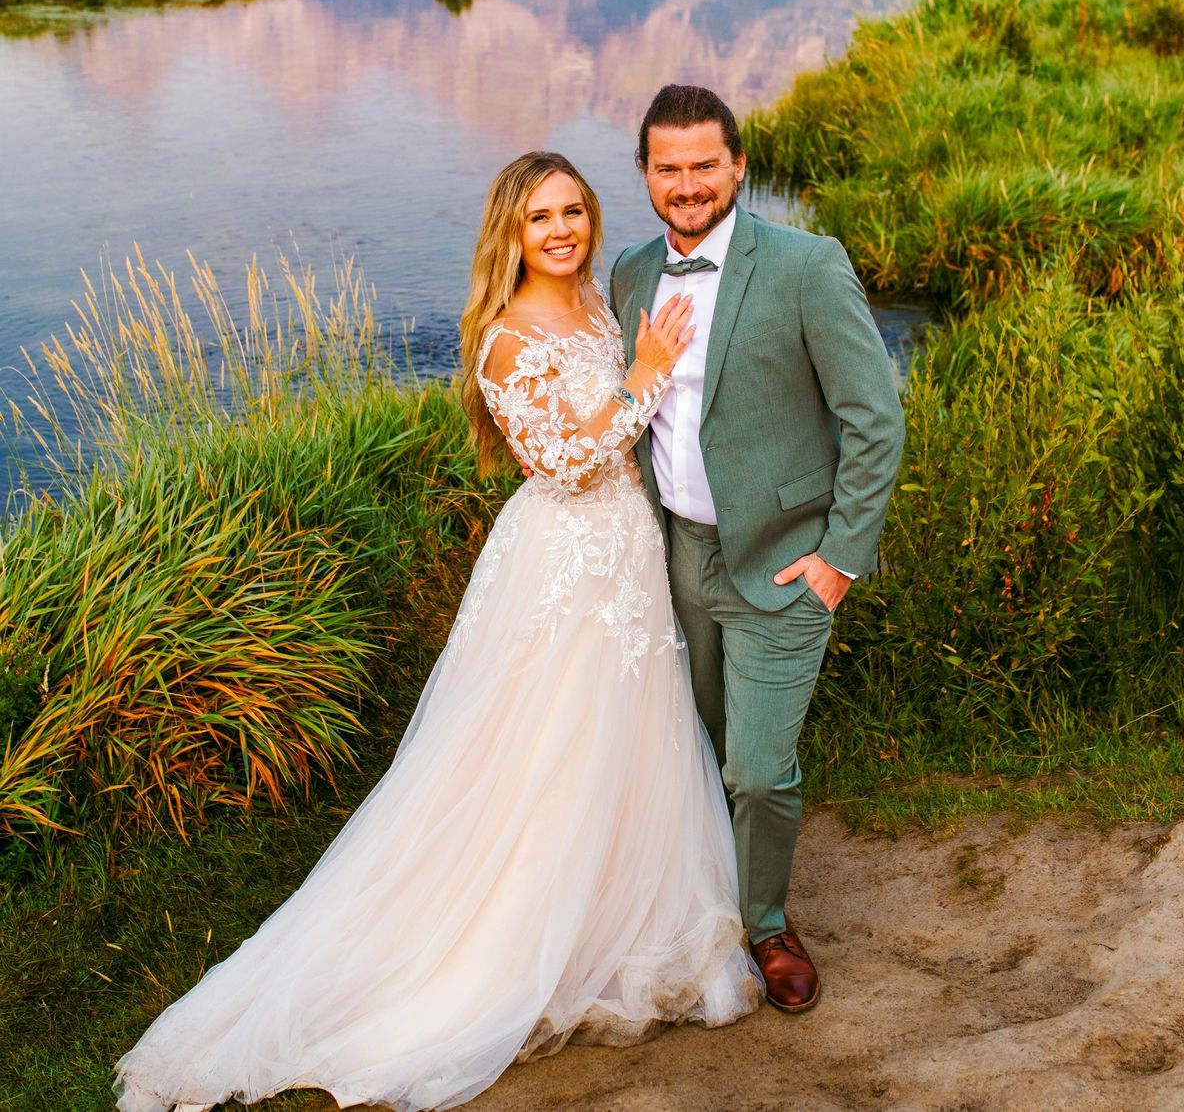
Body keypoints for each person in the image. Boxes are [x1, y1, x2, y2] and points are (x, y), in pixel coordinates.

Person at [114, 150, 759, 1112]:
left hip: (628, 553)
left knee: (628, 739)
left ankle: (612, 921)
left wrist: (653, 375)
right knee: (541, 748)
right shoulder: (504, 338)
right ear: (510, 231)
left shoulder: (598, 302)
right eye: (540, 217)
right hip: (563, 562)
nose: (562, 231)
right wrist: (646, 378)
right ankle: (504, 943)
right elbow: (568, 461)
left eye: (574, 211)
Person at [610, 85, 905, 1014]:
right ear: (646, 176)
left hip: (786, 563)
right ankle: (700, 909)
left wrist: (838, 559)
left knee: (756, 766)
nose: (688, 183)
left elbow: (876, 418)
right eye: (670, 167)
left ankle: (768, 924)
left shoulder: (807, 264)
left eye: (706, 164)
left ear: (739, 165)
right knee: (699, 747)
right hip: (680, 559)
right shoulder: (626, 273)